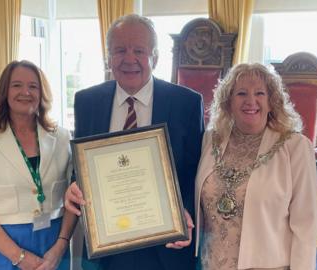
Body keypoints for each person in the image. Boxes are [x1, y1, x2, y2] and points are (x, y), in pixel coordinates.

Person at [65, 14, 204, 270]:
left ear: (155, 57)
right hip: (108, 246)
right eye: (119, 50)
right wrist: (75, 185)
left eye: (139, 50)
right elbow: (82, 166)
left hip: (167, 246)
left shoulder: (187, 103)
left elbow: (195, 172)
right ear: (108, 57)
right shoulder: (87, 102)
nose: (129, 59)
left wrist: (182, 211)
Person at [194, 63, 317, 269]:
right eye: (241, 93)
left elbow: (306, 225)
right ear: (228, 102)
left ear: (272, 102)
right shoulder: (210, 140)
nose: (251, 101)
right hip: (210, 263)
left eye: (260, 93)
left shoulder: (295, 147)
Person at [0, 60, 77, 270]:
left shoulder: (62, 138)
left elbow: (73, 196)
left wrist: (61, 245)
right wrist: (20, 257)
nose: (26, 92)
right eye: (17, 85)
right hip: (4, 249)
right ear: (5, 91)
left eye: (33, 86)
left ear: (42, 93)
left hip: (53, 247)